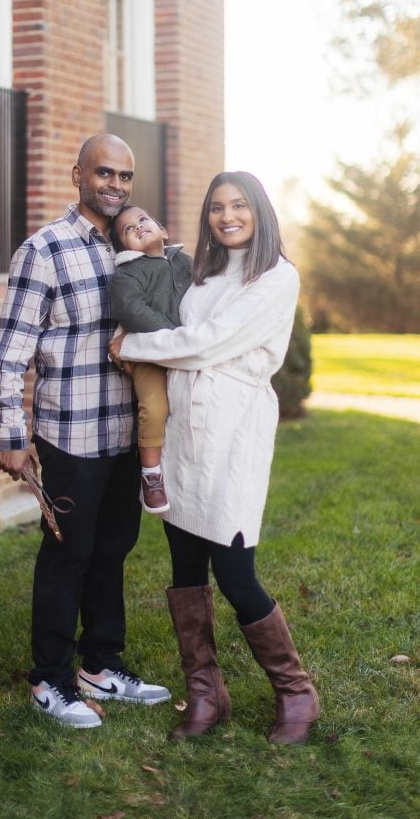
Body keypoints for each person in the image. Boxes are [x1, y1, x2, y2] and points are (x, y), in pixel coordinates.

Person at [109, 171, 319, 745]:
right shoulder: (203, 272)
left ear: (259, 211)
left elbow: (203, 342)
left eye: (239, 206)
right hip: (183, 432)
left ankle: (296, 692)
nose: (227, 216)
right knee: (184, 566)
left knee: (234, 569)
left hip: (232, 431)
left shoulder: (275, 276)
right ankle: (205, 694)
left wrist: (134, 344)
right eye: (216, 208)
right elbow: (175, 323)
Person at [0, 133, 171, 729]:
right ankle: (50, 679)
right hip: (70, 433)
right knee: (68, 555)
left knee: (114, 549)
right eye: (104, 173)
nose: (115, 185)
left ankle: (101, 664)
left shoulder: (132, 247)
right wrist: (12, 432)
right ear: (78, 175)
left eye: (124, 176)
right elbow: (12, 352)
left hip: (124, 430)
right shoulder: (44, 249)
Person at [108, 205, 194, 514]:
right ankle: (151, 474)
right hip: (146, 354)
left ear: (164, 231)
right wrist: (177, 336)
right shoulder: (128, 274)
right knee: (154, 407)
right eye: (128, 229)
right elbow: (133, 311)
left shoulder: (185, 263)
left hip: (186, 351)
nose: (138, 227)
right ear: (124, 248)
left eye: (143, 220)